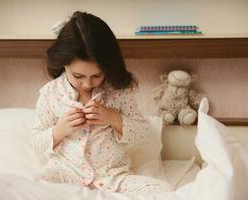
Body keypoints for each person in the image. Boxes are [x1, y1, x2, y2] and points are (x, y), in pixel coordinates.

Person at [30, 11, 172, 195]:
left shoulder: (118, 92)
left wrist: (115, 119)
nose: (88, 84)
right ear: (62, 63)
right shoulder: (50, 93)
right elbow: (34, 142)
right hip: (64, 174)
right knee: (31, 187)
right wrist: (59, 130)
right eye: (78, 76)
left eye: (97, 75)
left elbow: (143, 135)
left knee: (163, 190)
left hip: (113, 176)